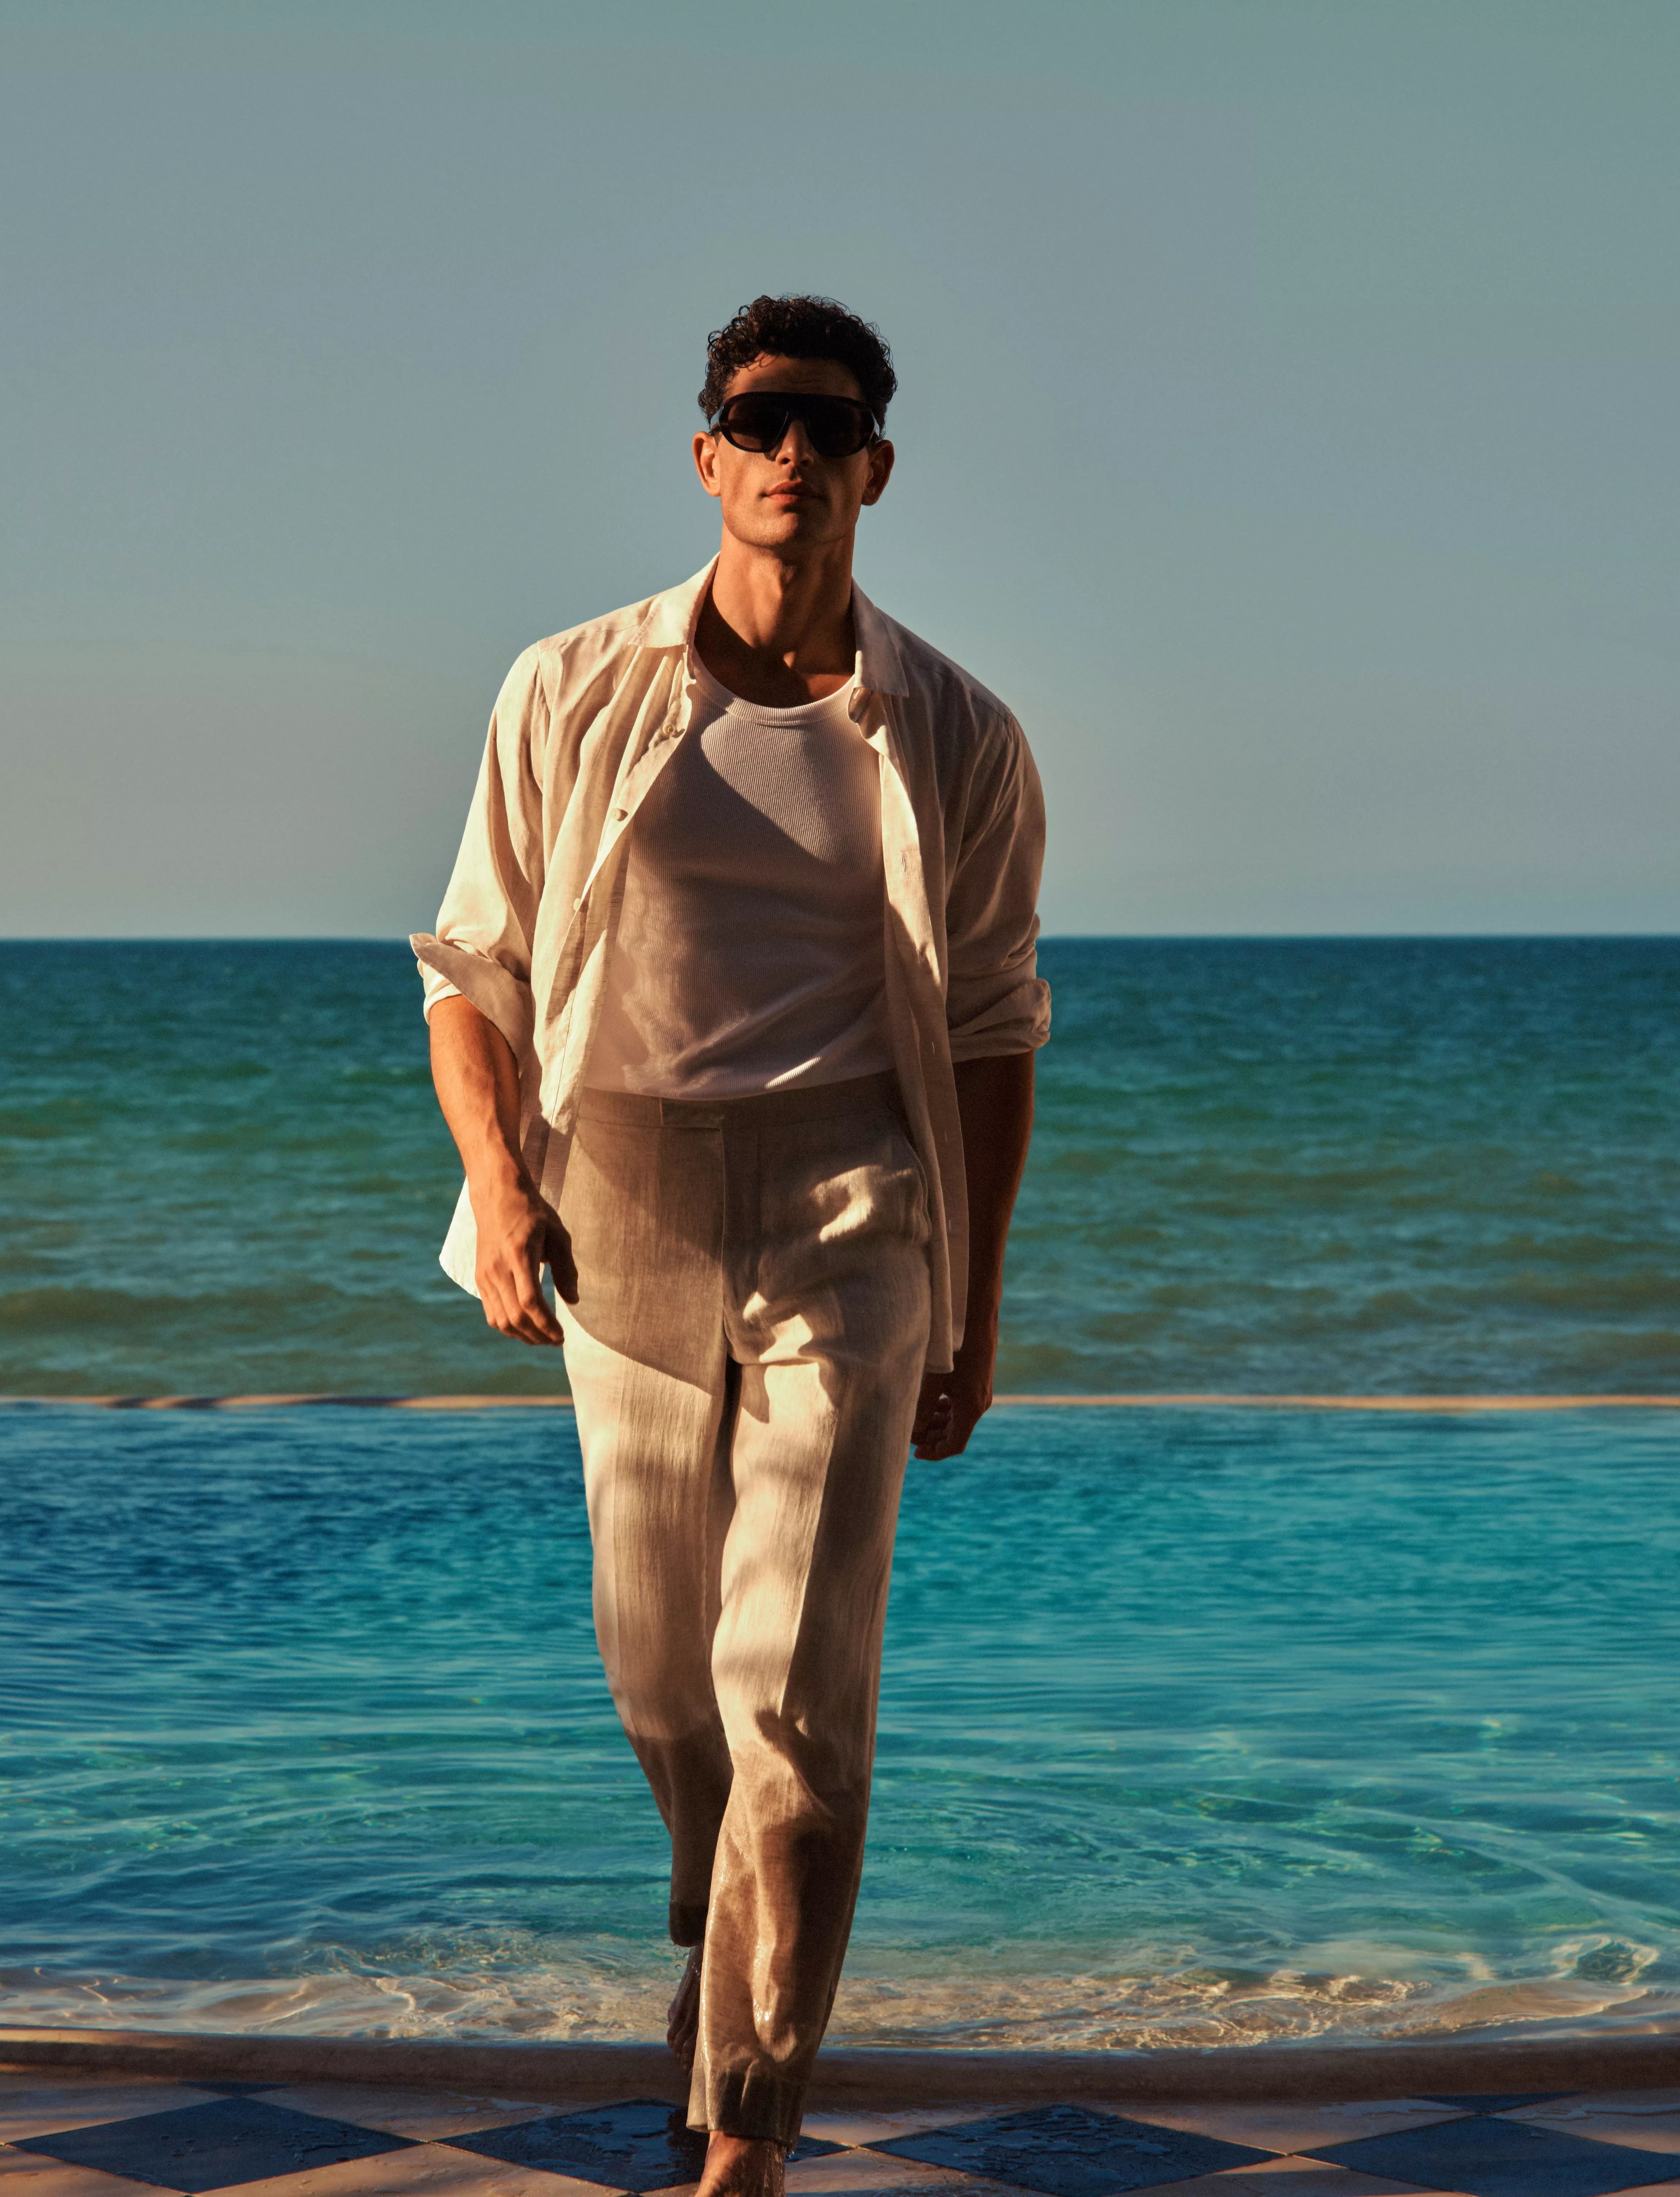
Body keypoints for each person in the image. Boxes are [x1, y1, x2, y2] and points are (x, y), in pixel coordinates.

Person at [413, 294, 1047, 2197]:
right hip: (626, 1201)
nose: (790, 452)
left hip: (860, 1207)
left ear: (873, 469)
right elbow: (473, 978)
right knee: (660, 1677)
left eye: (825, 425)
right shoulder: (568, 691)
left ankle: (746, 2139)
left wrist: (979, 1302)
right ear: (708, 458)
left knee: (795, 1682)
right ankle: (714, 1905)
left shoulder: (958, 737)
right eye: (755, 420)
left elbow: (996, 1028)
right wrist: (506, 1192)